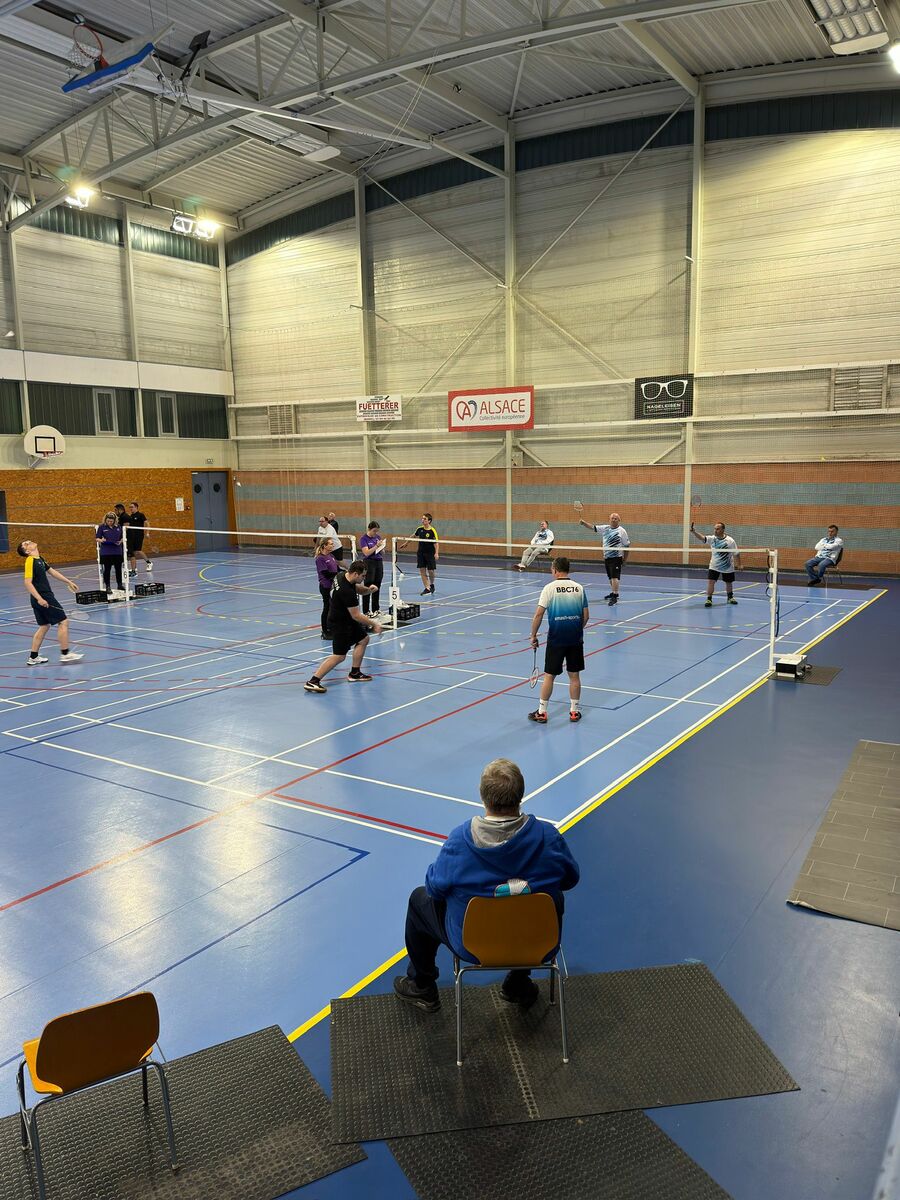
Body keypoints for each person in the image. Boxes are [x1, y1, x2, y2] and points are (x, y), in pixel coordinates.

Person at [393, 758, 580, 1012]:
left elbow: (435, 889)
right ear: (521, 795)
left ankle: (422, 985)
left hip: (472, 945)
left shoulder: (460, 842)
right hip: (536, 942)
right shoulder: (548, 837)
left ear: (483, 797)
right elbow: (570, 879)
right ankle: (518, 982)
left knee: (419, 899)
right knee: (548, 897)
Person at [528, 556, 589, 724]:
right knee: (574, 676)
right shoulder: (579, 588)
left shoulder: (549, 588)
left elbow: (538, 614)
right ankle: (574, 712)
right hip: (575, 639)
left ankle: (542, 712)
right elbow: (586, 616)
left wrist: (533, 635)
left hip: (556, 639)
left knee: (549, 676)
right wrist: (576, 630)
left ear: (555, 570)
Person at [304, 560, 382, 692]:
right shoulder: (346, 592)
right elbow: (356, 615)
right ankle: (313, 681)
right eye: (363, 576)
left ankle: (355, 673)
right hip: (340, 623)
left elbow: (356, 587)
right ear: (356, 574)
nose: (364, 578)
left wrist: (368, 590)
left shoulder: (342, 576)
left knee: (363, 639)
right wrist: (374, 624)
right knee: (339, 656)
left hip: (345, 618)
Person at [18, 539, 83, 666]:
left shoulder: (39, 559)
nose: (29, 541)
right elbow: (27, 582)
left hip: (40, 598)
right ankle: (65, 654)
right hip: (43, 597)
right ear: (27, 551)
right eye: (26, 543)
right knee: (63, 621)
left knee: (44, 626)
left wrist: (68, 581)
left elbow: (52, 572)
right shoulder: (30, 561)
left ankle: (33, 657)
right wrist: (39, 598)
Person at [578, 511, 630, 606]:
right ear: (609, 519)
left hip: (616, 557)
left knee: (614, 577)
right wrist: (584, 523)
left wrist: (625, 560)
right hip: (607, 557)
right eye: (612, 518)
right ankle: (614, 592)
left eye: (616, 518)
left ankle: (615, 596)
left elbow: (627, 546)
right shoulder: (605, 528)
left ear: (619, 520)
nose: (613, 520)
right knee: (610, 577)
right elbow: (593, 527)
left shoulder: (622, 531)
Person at [691, 521, 741, 606]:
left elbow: (736, 553)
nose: (715, 530)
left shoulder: (730, 541)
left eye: (717, 529)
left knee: (729, 583)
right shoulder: (712, 539)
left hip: (727, 566)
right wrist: (694, 532)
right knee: (711, 582)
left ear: (723, 530)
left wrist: (739, 564)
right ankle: (709, 599)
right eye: (715, 529)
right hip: (714, 566)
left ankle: (730, 598)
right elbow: (702, 538)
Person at [400, 513, 439, 595]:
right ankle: (427, 588)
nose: (422, 520)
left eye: (425, 519)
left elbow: (436, 543)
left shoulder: (432, 531)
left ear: (429, 521)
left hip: (430, 553)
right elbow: (413, 536)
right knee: (422, 570)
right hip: (421, 553)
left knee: (431, 571)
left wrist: (436, 553)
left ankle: (431, 584)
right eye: (422, 518)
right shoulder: (419, 529)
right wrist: (406, 543)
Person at [359, 520, 387, 617]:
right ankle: (366, 611)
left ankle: (376, 609)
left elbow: (383, 552)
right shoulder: (364, 539)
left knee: (377, 585)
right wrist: (376, 546)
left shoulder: (378, 537)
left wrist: (382, 547)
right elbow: (366, 553)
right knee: (368, 585)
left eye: (377, 531)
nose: (376, 533)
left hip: (378, 562)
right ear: (369, 529)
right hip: (369, 562)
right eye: (374, 531)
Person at [96, 511, 125, 598]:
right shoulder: (102, 527)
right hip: (106, 551)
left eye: (111, 521)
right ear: (106, 520)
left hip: (117, 551)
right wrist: (101, 540)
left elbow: (122, 537)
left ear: (114, 520)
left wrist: (121, 541)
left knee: (118, 569)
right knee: (107, 569)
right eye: (108, 521)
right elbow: (97, 538)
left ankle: (120, 585)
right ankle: (108, 586)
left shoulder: (119, 527)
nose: (109, 522)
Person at [314, 540, 339, 638]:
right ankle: (325, 631)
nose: (333, 545)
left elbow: (337, 569)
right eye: (331, 544)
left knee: (333, 608)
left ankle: (331, 627)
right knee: (327, 607)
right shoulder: (320, 558)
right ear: (325, 546)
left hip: (333, 586)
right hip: (325, 586)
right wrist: (339, 575)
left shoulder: (331, 556)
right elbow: (326, 573)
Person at [125, 501, 153, 577]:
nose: (130, 508)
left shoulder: (141, 515)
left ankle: (149, 562)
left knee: (138, 550)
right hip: (132, 536)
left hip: (139, 536)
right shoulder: (130, 516)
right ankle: (134, 568)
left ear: (136, 507)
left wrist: (147, 532)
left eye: (132, 507)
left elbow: (147, 523)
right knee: (133, 552)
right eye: (130, 507)